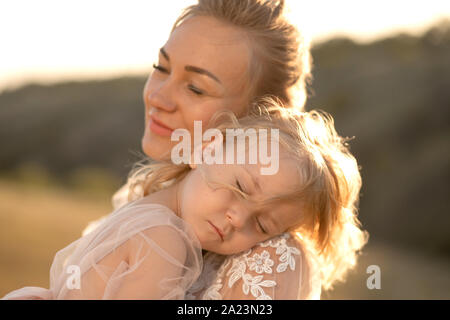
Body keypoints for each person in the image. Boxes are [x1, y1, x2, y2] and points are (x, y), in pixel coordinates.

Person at [86, 0, 366, 299]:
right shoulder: (141, 201)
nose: (157, 96)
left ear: (263, 120)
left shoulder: (269, 264)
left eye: (196, 88)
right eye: (161, 67)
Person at [2, 98, 367, 300]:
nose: (236, 219)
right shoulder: (165, 241)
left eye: (262, 225)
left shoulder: (141, 209)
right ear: (207, 149)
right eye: (239, 188)